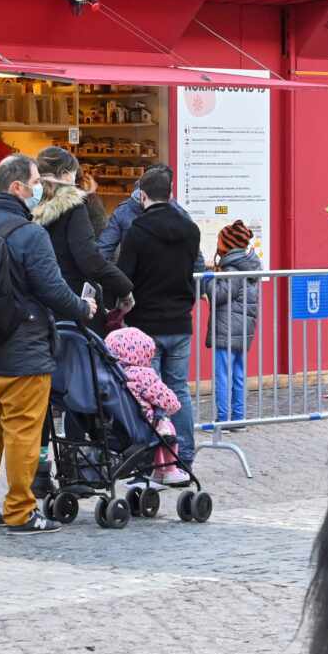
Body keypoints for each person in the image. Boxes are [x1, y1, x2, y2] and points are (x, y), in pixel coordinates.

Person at [0, 153, 97, 535]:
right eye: (36, 182)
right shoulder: (30, 233)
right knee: (23, 429)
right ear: (18, 187)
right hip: (24, 350)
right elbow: (52, 289)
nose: (40, 189)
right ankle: (21, 510)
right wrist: (83, 307)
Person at [29, 146, 133, 496]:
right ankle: (76, 465)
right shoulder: (76, 206)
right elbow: (89, 259)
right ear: (67, 173)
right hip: (74, 308)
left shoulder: (26, 207)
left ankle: (41, 468)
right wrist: (123, 287)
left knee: (42, 392)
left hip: (35, 311)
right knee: (79, 385)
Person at [117, 166, 202, 474]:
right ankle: (185, 455)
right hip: (180, 321)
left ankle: (152, 458)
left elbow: (124, 277)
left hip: (145, 325)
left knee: (145, 394)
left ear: (142, 196)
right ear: (171, 193)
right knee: (178, 389)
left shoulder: (137, 232)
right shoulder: (190, 230)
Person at [104, 327, 189, 486]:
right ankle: (167, 470)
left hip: (117, 426)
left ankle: (155, 470)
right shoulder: (144, 375)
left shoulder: (109, 374)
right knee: (166, 427)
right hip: (144, 425)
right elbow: (170, 400)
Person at [97, 164, 207, 274]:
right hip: (170, 284)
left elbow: (104, 250)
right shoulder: (183, 218)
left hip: (136, 286)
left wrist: (112, 282)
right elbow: (197, 261)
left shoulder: (124, 214)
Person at [206, 220, 261, 429]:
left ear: (228, 244)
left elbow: (220, 294)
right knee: (238, 373)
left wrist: (209, 278)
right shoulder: (248, 265)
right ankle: (238, 418)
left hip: (227, 327)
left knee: (223, 374)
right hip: (243, 328)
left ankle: (223, 419)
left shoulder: (232, 268)